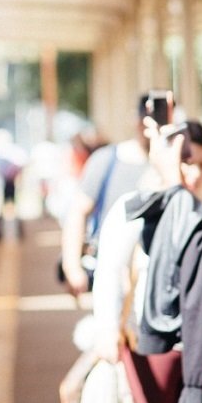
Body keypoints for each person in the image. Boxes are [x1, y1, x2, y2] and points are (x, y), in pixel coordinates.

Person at [90, 120, 202, 403]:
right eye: (186, 162)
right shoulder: (137, 204)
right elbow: (109, 269)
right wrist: (108, 329)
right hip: (149, 341)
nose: (193, 174)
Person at [61, 95, 163, 296]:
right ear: (136, 119)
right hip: (112, 273)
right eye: (147, 119)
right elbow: (77, 212)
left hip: (157, 275)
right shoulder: (106, 160)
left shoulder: (177, 164)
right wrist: (72, 267)